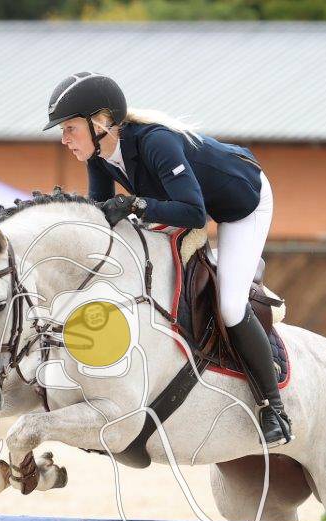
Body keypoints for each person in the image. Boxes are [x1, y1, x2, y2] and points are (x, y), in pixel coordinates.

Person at [46, 72, 291, 446]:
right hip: (187, 203)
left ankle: (273, 408)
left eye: (69, 128)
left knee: (229, 305)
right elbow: (102, 216)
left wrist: (135, 204)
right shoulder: (99, 156)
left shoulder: (156, 142)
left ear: (100, 123)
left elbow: (194, 214)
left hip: (243, 203)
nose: (64, 139)